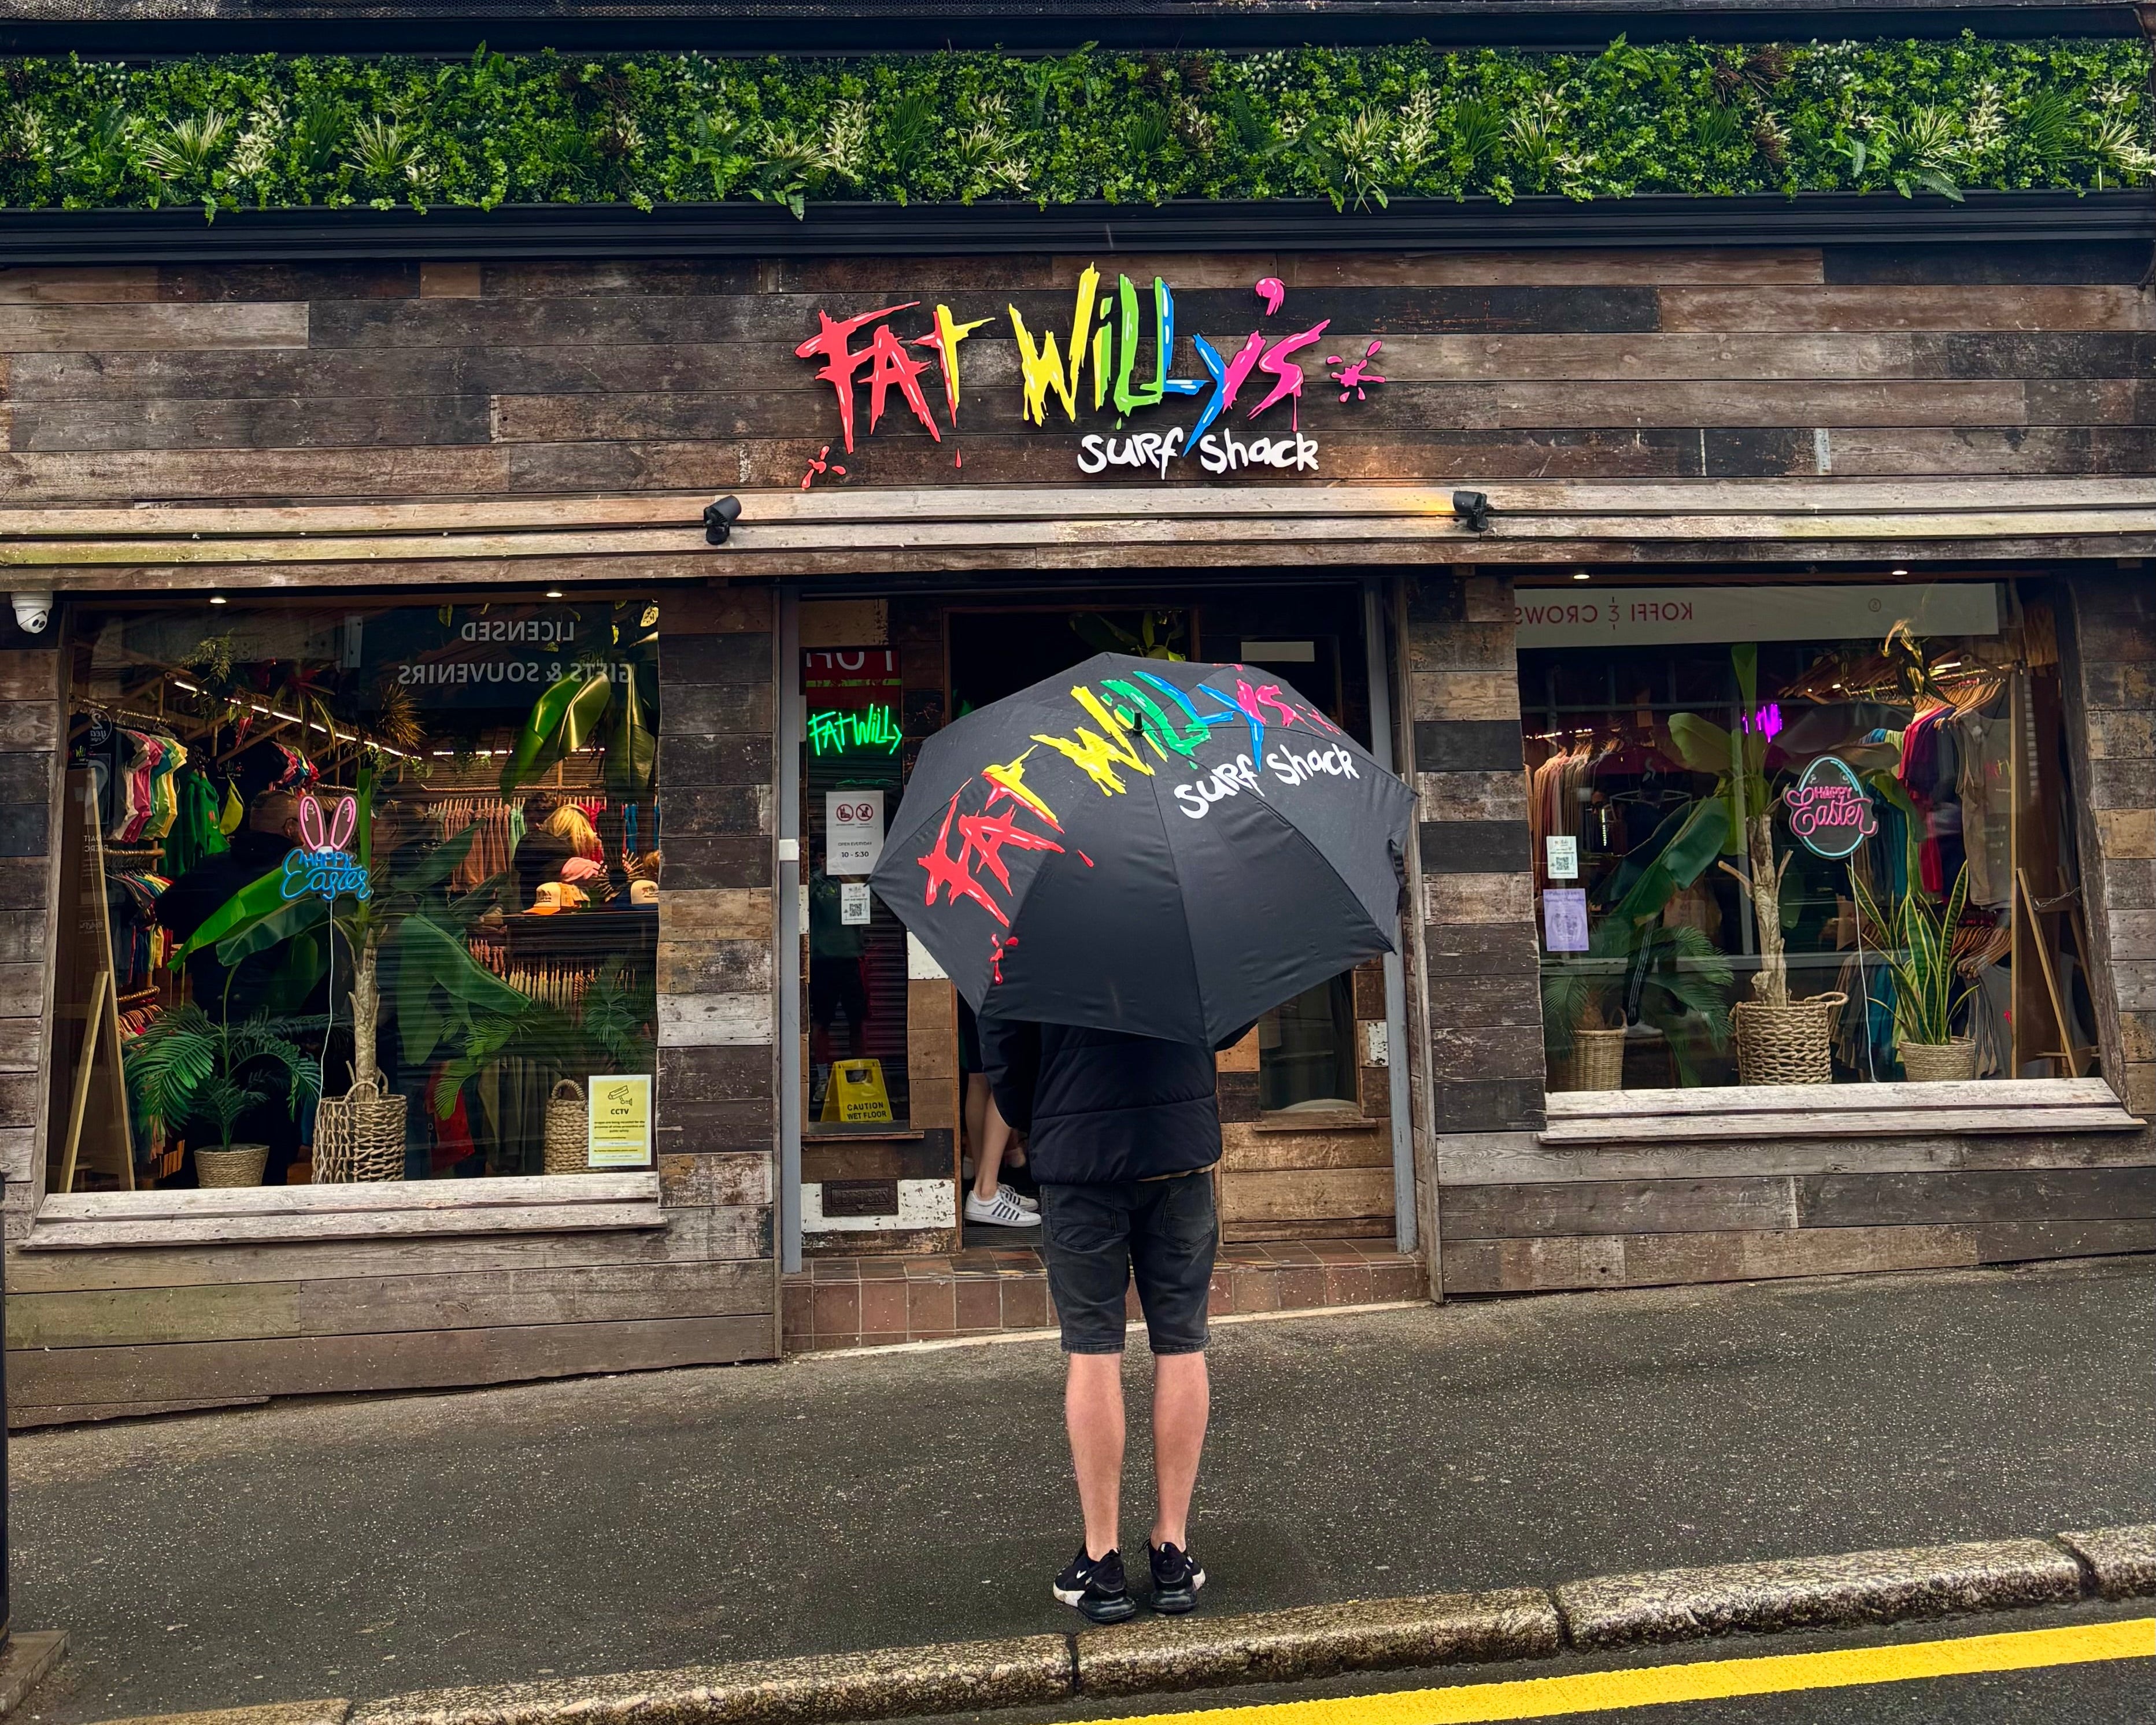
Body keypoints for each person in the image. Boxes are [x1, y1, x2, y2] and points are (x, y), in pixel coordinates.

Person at [979, 1013, 1227, 1622]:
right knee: (1182, 1345)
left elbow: (1006, 1054)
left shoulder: (1031, 925)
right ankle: (1172, 1550)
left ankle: (1103, 1561)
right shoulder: (1190, 919)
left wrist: (1045, 1112)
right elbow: (1225, 1018)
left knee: (1093, 1350)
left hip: (1079, 1156)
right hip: (1178, 1150)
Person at [960, 998, 1037, 1229]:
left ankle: (985, 1183)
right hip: (1000, 983)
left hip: (972, 985)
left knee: (979, 1077)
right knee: (1006, 1076)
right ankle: (986, 1193)